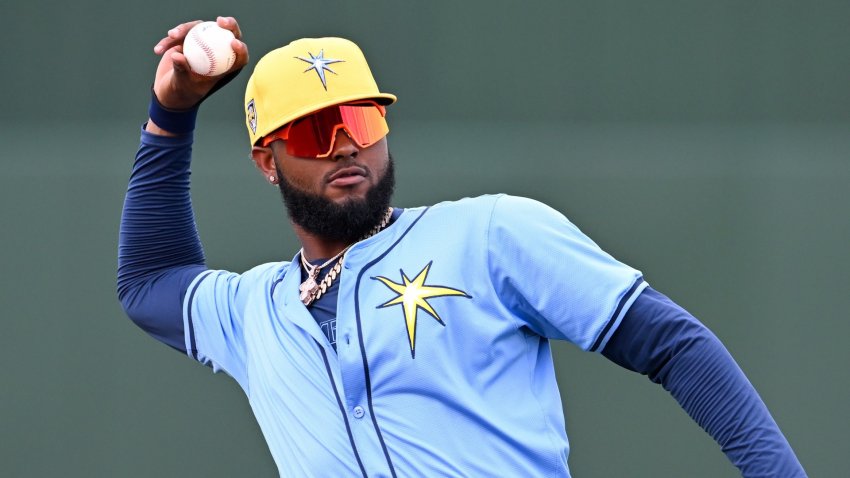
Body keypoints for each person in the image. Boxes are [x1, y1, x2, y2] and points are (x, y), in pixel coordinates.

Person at [118, 16, 807, 477]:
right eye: (310, 133)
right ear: (267, 162)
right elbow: (150, 282)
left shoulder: (491, 234)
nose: (345, 145)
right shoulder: (254, 312)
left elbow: (672, 345)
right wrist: (172, 112)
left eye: (360, 118)